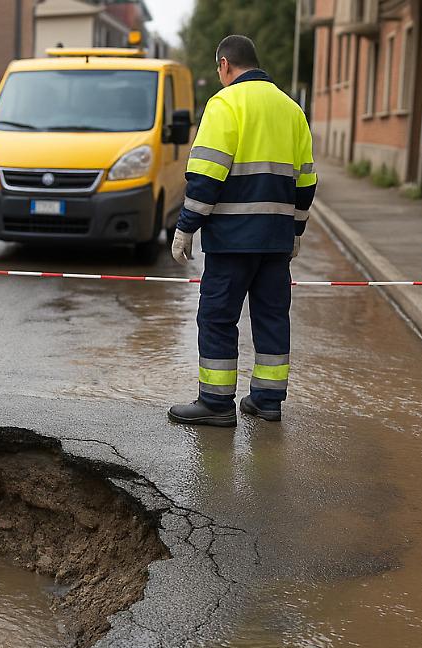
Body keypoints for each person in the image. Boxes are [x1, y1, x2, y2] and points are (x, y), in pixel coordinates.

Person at [168, 35, 317, 427]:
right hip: (276, 241)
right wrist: (296, 229)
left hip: (232, 240)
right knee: (271, 317)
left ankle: (216, 404)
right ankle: (267, 400)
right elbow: (306, 180)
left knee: (218, 317)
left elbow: (205, 175)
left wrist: (186, 227)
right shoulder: (291, 109)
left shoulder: (224, 104)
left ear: (224, 65)